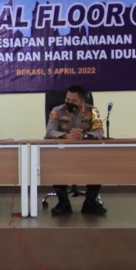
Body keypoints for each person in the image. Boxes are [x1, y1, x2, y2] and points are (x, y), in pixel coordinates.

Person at [45, 84, 106, 216]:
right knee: (55, 164)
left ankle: (90, 203)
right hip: (62, 152)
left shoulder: (93, 111)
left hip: (86, 152)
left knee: (98, 164)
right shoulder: (57, 110)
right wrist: (68, 136)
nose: (69, 103)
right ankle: (63, 203)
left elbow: (100, 131)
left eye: (73, 101)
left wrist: (83, 136)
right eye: (67, 99)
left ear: (82, 101)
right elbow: (50, 131)